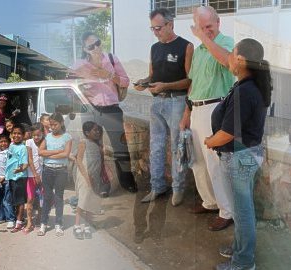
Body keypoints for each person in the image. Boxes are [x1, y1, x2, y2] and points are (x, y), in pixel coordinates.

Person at [204, 38, 272, 270]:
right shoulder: (250, 84)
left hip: (239, 158)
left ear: (241, 60)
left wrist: (210, 141)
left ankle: (243, 263)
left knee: (242, 214)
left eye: (232, 54)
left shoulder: (246, 91)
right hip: (246, 155)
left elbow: (227, 133)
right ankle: (240, 249)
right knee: (243, 209)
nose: (229, 59)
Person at [180, 6, 235, 231]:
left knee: (215, 163)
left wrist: (204, 38)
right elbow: (193, 84)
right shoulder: (200, 50)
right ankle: (209, 202)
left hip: (216, 108)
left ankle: (226, 211)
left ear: (218, 22)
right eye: (201, 28)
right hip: (197, 109)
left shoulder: (227, 42)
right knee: (197, 162)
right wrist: (186, 113)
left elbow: (227, 61)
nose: (205, 32)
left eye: (209, 27)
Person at [134, 8, 193, 206]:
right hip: (157, 102)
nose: (156, 32)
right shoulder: (154, 48)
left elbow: (189, 81)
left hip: (177, 102)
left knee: (177, 147)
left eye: (158, 28)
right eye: (152, 28)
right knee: (156, 148)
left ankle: (178, 188)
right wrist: (144, 82)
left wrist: (166, 86)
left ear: (170, 24)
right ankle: (157, 186)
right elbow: (153, 75)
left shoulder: (186, 46)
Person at [72, 32, 137, 193]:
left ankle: (127, 182)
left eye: (98, 43)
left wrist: (108, 75)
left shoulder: (111, 59)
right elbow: (70, 86)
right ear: (85, 49)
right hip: (90, 110)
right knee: (94, 149)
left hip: (112, 109)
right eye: (91, 46)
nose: (96, 47)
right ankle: (101, 185)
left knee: (120, 147)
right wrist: (81, 93)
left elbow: (125, 81)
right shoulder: (79, 64)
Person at [38, 113, 72, 237]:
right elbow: (40, 151)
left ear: (61, 123)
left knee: (58, 197)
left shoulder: (67, 137)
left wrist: (49, 154)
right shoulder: (47, 137)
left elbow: (66, 154)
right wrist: (57, 151)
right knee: (47, 197)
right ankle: (43, 223)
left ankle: (58, 224)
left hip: (61, 171)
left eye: (55, 124)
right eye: (51, 124)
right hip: (47, 170)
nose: (53, 127)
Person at [73, 121, 103, 240]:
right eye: (94, 130)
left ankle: (87, 225)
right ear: (87, 132)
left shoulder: (97, 144)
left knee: (91, 200)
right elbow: (79, 160)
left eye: (98, 130)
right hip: (84, 176)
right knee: (83, 200)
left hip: (95, 176)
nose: (97, 132)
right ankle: (77, 225)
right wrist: (86, 177)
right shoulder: (83, 142)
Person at [5, 124, 29, 233]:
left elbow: (25, 164)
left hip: (19, 178)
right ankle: (19, 219)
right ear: (11, 135)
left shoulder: (23, 148)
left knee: (20, 201)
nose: (16, 135)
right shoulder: (11, 145)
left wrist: (19, 170)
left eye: (19, 133)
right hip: (11, 177)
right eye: (14, 133)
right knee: (14, 200)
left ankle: (19, 222)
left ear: (23, 135)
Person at [0, 134, 15, 229]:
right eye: (1, 142)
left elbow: (12, 167)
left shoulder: (9, 152)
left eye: (5, 141)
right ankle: (0, 217)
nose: (3, 143)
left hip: (6, 180)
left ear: (9, 143)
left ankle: (11, 219)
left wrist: (4, 177)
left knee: (7, 201)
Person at [23, 124, 44, 234]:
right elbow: (30, 159)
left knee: (41, 199)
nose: (36, 137)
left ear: (42, 134)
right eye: (34, 135)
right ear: (31, 134)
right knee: (30, 199)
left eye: (39, 135)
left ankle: (39, 219)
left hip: (43, 176)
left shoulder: (45, 142)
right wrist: (36, 174)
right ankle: (29, 222)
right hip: (32, 175)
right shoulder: (29, 142)